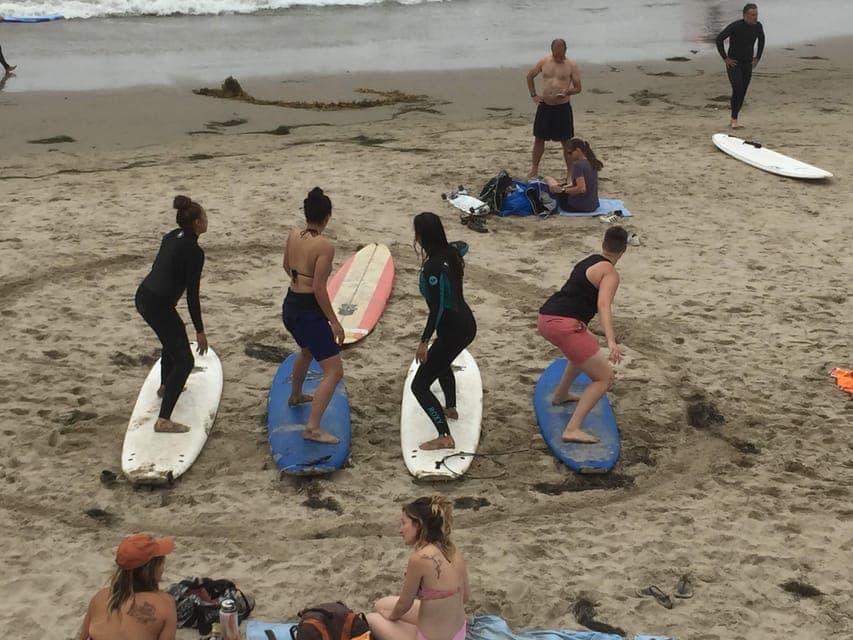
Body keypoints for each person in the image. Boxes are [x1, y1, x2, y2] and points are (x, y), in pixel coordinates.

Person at [537, 226, 628, 444]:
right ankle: (572, 429)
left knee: (584, 348)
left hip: (546, 317)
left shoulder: (589, 261)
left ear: (603, 243)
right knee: (605, 377)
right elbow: (604, 304)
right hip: (565, 325)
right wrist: (612, 341)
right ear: (624, 250)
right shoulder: (610, 273)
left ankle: (561, 395)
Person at [135, 195, 209, 434]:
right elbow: (192, 295)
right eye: (204, 217)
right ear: (197, 223)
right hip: (158, 304)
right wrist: (200, 330)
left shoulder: (171, 236)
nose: (207, 220)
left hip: (144, 295)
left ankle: (166, 385)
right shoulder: (194, 252)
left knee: (173, 338)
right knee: (185, 360)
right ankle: (163, 420)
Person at [281, 187, 345, 444]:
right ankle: (313, 428)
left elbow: (286, 266)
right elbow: (319, 287)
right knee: (334, 371)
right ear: (327, 216)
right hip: (308, 310)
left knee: (307, 350)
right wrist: (334, 321)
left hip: (290, 304)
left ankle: (296, 395)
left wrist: (299, 283)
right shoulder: (325, 246)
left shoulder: (293, 235)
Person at [411, 212, 476, 450]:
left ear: (420, 235)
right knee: (442, 360)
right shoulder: (452, 253)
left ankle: (444, 436)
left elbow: (437, 308)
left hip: (452, 328)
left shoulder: (433, 267)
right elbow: (464, 244)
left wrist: (424, 340)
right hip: (466, 324)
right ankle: (450, 407)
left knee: (419, 386)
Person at [367, 496, 469, 640]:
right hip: (458, 633)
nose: (400, 530)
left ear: (419, 525)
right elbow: (465, 597)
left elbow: (404, 604)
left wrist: (391, 617)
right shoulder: (453, 550)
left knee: (372, 618)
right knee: (380, 604)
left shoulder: (420, 558)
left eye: (404, 523)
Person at [79, 533, 178, 640]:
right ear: (151, 568)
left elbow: (83, 637)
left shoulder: (99, 597)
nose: (163, 568)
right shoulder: (165, 604)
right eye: (161, 563)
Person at [526, 38, 582, 179]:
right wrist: (534, 94)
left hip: (562, 107)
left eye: (561, 51)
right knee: (539, 139)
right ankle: (534, 169)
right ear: (552, 50)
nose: (558, 54)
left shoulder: (571, 65)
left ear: (565, 50)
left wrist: (567, 92)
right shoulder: (544, 62)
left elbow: (578, 88)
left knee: (566, 141)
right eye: (556, 51)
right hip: (545, 106)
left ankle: (570, 172)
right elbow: (530, 76)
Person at [715, 3, 765, 129]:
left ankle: (734, 118)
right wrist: (725, 58)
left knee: (743, 91)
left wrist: (757, 57)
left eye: (756, 14)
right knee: (737, 88)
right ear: (745, 15)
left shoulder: (758, 26)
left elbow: (762, 40)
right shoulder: (736, 26)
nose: (755, 17)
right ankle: (734, 120)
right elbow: (719, 39)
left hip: (747, 63)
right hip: (734, 63)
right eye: (752, 15)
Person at [541, 138, 602, 213]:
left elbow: (581, 189)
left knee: (549, 180)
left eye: (570, 153)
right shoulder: (592, 161)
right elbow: (582, 183)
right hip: (592, 205)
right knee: (558, 186)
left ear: (578, 150)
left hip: (576, 206)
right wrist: (563, 187)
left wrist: (563, 190)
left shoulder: (578, 165)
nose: (569, 156)